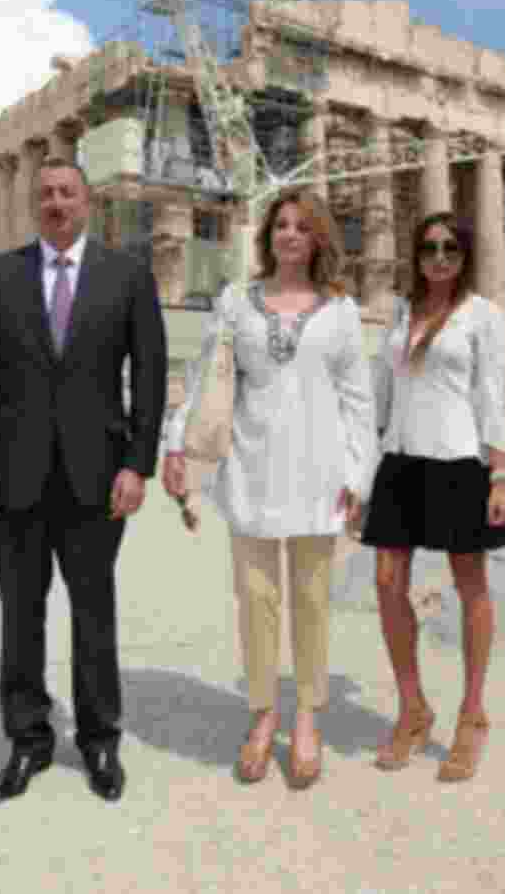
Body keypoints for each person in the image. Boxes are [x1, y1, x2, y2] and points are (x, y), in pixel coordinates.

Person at [0, 157, 167, 805]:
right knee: (21, 612)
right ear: (34, 204)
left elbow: (149, 377)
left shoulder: (127, 276)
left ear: (88, 201)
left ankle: (99, 739)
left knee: (94, 611)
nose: (56, 202)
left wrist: (138, 464)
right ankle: (28, 738)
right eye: (45, 193)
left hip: (97, 478)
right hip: (12, 477)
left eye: (67, 192)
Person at [162, 188, 374, 789]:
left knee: (311, 601)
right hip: (251, 467)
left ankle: (307, 716)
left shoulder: (341, 311)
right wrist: (175, 443)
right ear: (267, 235)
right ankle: (262, 715)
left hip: (320, 473)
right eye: (281, 224)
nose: (289, 235)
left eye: (302, 227)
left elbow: (358, 400)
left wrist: (359, 474)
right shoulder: (237, 301)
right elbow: (204, 378)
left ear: (318, 238)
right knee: (256, 600)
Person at [360, 213, 505, 782]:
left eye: (451, 247)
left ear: (465, 255)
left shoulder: (482, 316)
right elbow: (380, 392)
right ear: (417, 254)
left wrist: (500, 475)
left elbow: (491, 396)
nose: (439, 257)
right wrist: (361, 468)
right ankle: (413, 709)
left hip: (458, 460)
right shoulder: (401, 313)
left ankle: (472, 716)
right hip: (400, 458)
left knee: (470, 586)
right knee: (386, 583)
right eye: (429, 247)